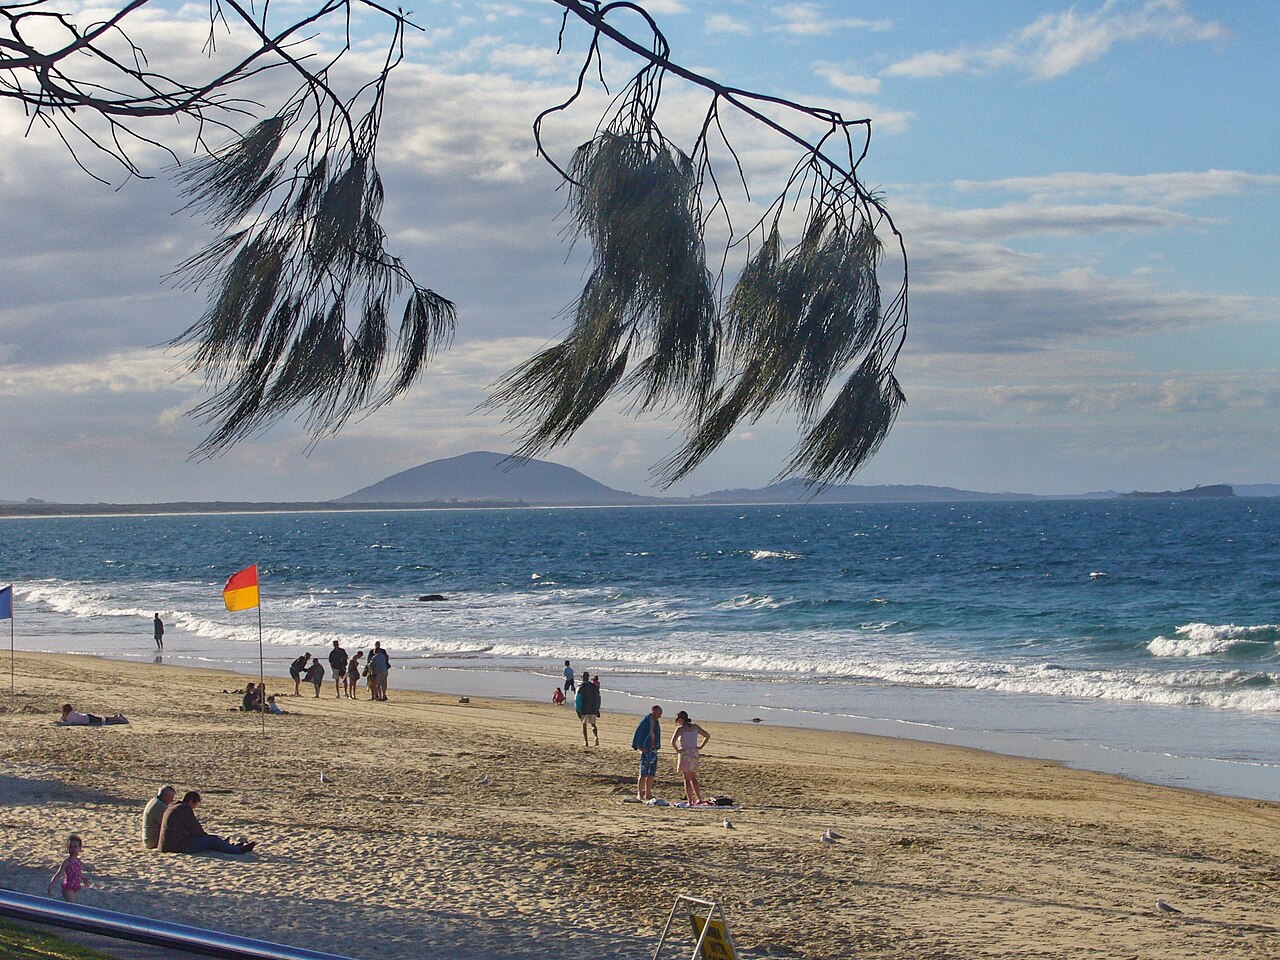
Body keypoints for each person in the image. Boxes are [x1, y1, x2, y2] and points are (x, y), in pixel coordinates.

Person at [159, 791, 255, 855]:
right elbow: (195, 828)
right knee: (214, 840)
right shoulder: (184, 809)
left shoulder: (174, 807)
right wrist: (205, 837)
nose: (194, 808)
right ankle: (238, 850)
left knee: (212, 841)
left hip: (169, 844)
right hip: (178, 846)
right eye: (195, 805)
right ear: (191, 801)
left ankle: (227, 846)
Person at [671, 710, 712, 805]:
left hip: (685, 753)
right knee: (693, 777)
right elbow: (707, 736)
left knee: (686, 778)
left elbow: (672, 742)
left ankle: (690, 800)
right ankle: (699, 798)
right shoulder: (695, 727)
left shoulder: (680, 729)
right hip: (693, 753)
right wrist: (700, 746)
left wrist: (678, 750)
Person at [631, 704, 663, 802]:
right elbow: (638, 733)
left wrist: (656, 746)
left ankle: (648, 793)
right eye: (659, 713)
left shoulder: (656, 722)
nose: (660, 716)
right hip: (646, 750)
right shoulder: (646, 721)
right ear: (654, 712)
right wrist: (640, 747)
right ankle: (639, 793)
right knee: (643, 773)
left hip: (653, 751)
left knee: (651, 774)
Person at [48, 834, 90, 902]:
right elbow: (59, 874)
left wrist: (84, 879)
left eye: (75, 847)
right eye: (71, 847)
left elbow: (78, 872)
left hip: (75, 887)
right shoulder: (67, 862)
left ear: (80, 849)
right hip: (68, 887)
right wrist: (51, 884)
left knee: (73, 904)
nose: (73, 849)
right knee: (72, 904)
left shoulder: (78, 862)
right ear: (68, 848)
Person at [575, 670, 601, 748]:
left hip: (584, 708)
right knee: (593, 724)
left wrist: (578, 710)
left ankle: (586, 742)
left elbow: (577, 700)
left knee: (584, 725)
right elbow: (598, 698)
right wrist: (597, 708)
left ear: (582, 678)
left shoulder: (580, 687)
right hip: (593, 708)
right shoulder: (594, 687)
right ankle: (596, 736)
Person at [60, 704, 128, 725]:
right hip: (87, 716)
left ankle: (118, 719)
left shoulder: (72, 717)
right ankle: (115, 717)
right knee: (102, 719)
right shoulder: (71, 714)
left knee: (102, 720)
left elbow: (69, 723)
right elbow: (62, 719)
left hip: (89, 720)